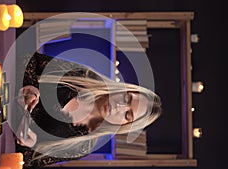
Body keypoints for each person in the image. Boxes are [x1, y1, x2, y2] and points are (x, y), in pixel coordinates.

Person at [14, 52, 162, 169]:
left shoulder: (82, 146)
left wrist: (31, 143)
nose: (119, 107)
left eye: (127, 114)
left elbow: (27, 161)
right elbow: (28, 58)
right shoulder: (82, 76)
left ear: (125, 125)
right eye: (126, 99)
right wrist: (31, 86)